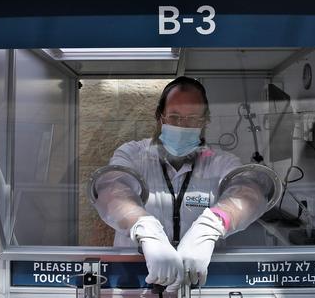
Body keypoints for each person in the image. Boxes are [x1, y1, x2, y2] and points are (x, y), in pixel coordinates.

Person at [91, 76, 273, 293]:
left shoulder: (220, 162)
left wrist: (212, 225)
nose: (182, 126)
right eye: (175, 117)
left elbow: (250, 191)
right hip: (136, 282)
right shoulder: (133, 154)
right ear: (160, 117)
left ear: (205, 121)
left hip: (199, 284)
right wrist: (144, 228)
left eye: (193, 119)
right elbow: (112, 190)